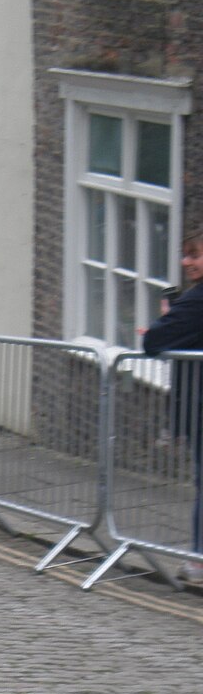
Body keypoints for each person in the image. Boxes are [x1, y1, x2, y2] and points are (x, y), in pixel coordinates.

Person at [143, 230, 203, 583]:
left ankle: (199, 561)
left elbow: (154, 341)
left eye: (194, 255)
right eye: (185, 255)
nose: (186, 262)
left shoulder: (195, 302)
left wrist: (168, 318)